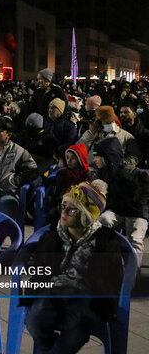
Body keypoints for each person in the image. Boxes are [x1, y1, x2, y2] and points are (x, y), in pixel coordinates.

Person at [24, 181, 123, 354]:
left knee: (76, 326)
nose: (64, 212)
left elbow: (112, 280)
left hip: (87, 297)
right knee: (34, 320)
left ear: (86, 215)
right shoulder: (52, 237)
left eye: (72, 209)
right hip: (54, 292)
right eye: (64, 206)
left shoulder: (105, 242)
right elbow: (40, 271)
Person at [93, 136, 149, 268]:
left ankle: (132, 275)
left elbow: (146, 180)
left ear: (107, 156)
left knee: (134, 240)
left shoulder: (126, 169)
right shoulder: (103, 172)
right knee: (101, 222)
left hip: (136, 211)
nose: (94, 160)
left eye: (97, 156)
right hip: (118, 211)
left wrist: (138, 201)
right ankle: (107, 261)